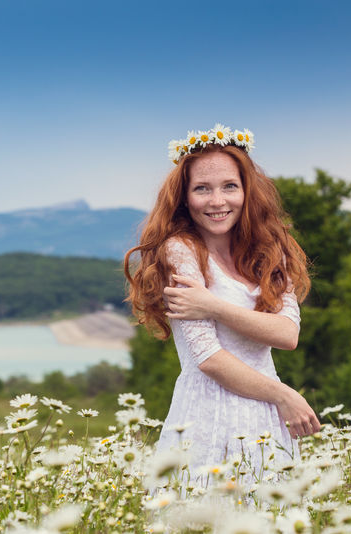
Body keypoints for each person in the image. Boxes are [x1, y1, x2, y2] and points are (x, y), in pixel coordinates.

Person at [123, 124, 321, 485]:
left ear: (247, 191)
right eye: (202, 189)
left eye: (229, 186)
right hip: (207, 414)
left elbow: (287, 334)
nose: (217, 201)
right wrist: (283, 395)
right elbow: (208, 359)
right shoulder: (179, 252)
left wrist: (213, 306)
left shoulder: (267, 251)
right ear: (184, 198)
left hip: (264, 418)